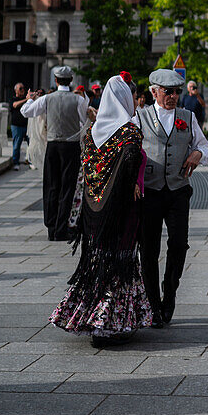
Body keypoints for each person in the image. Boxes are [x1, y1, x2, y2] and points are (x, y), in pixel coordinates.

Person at [50, 74, 152, 345]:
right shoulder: (129, 131)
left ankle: (93, 317)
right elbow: (131, 157)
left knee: (99, 258)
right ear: (124, 99)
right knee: (120, 260)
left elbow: (87, 164)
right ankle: (111, 323)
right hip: (122, 210)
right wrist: (131, 184)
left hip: (94, 209)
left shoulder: (94, 131)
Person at [136, 69, 208, 326]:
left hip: (178, 190)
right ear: (154, 92)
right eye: (168, 92)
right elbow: (126, 149)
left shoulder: (187, 117)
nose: (174, 96)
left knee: (179, 244)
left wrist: (197, 154)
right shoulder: (139, 117)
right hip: (150, 192)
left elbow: (203, 145)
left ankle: (170, 292)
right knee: (149, 249)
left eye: (177, 92)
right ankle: (153, 305)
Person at [21, 66, 89, 240]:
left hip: (53, 145)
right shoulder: (78, 100)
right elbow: (84, 121)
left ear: (56, 80)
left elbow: (26, 112)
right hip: (71, 146)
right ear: (71, 80)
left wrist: (29, 99)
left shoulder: (47, 99)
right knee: (68, 187)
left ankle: (51, 227)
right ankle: (62, 227)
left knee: (51, 186)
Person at [10, 82, 28, 171]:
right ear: (16, 90)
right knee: (16, 145)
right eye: (20, 88)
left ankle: (31, 161)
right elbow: (15, 105)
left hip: (26, 125)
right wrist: (26, 100)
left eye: (23, 88)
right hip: (16, 126)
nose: (22, 90)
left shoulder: (27, 99)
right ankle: (16, 163)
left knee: (32, 143)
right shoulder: (13, 99)